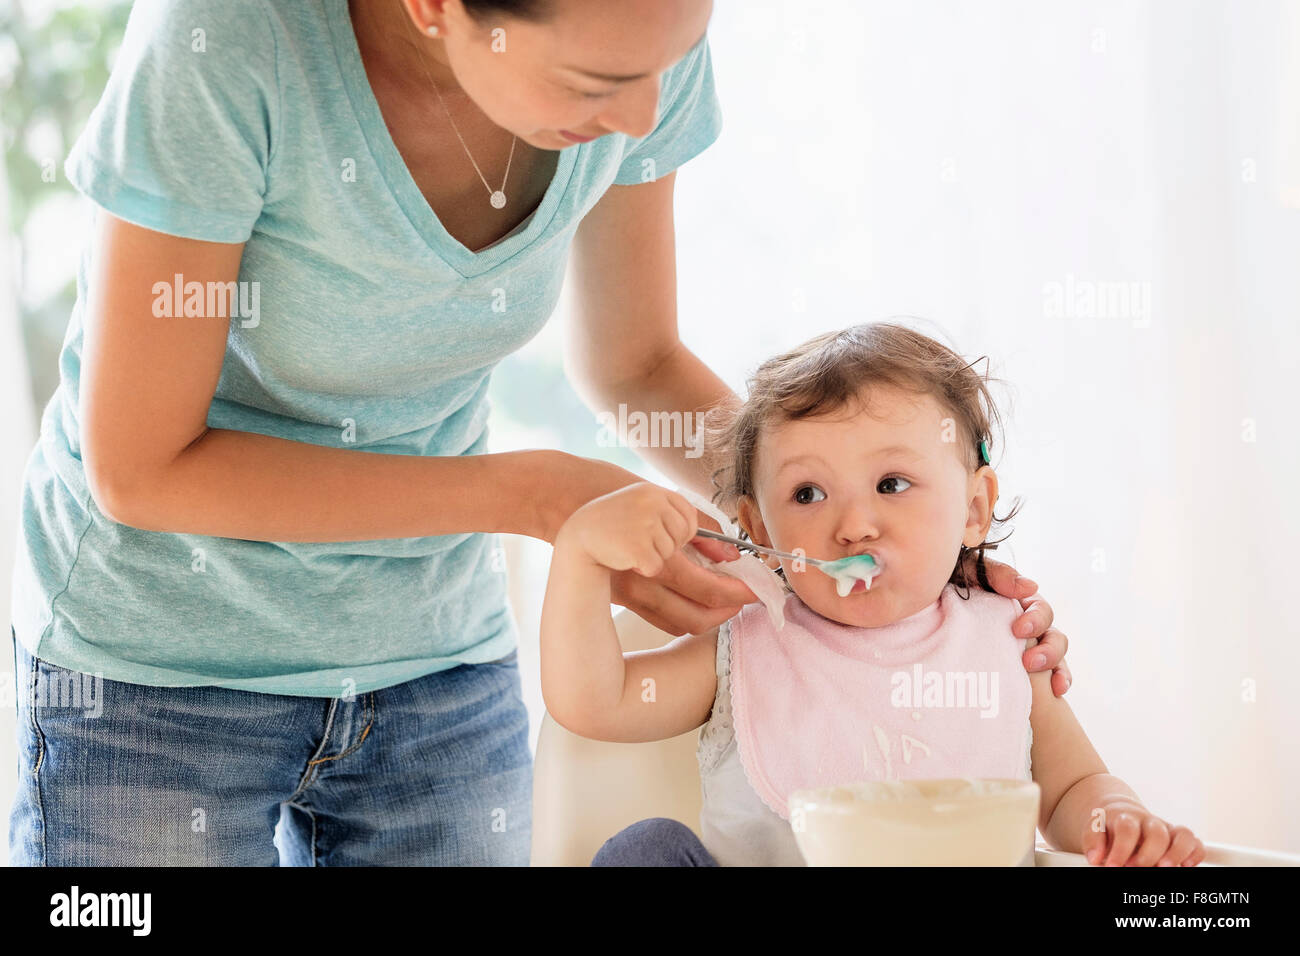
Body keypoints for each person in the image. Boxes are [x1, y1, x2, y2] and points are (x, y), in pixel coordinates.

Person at [8, 0, 1069, 866]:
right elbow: (143, 466)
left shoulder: (636, 38)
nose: (646, 111)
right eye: (598, 85)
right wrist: (530, 494)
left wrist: (888, 546)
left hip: (428, 650)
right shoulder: (227, 46)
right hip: (159, 664)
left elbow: (637, 362)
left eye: (674, 60)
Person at [540, 323, 1200, 867]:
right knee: (646, 850)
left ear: (974, 509)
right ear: (760, 527)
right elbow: (593, 704)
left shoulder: (1005, 642)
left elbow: (1072, 791)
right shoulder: (748, 647)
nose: (853, 523)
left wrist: (1118, 819)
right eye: (808, 494)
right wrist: (579, 556)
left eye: (891, 483)